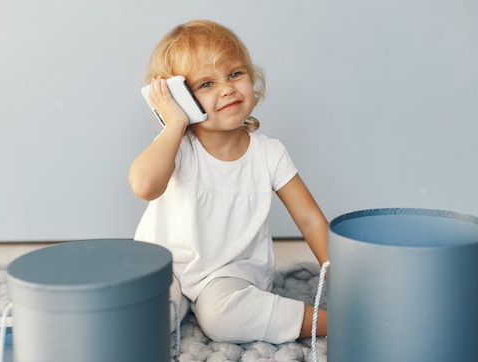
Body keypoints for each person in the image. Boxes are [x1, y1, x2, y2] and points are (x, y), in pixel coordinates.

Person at [129, 20, 328, 344]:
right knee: (143, 314)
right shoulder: (177, 148)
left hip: (232, 273)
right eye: (206, 84)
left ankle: (329, 322)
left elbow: (309, 219)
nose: (226, 88)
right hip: (170, 268)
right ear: (179, 97)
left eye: (235, 74)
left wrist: (340, 273)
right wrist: (174, 124)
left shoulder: (269, 154)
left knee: (223, 318)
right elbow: (144, 185)